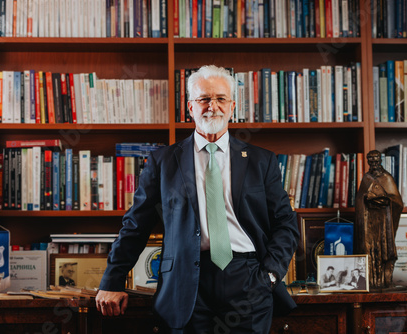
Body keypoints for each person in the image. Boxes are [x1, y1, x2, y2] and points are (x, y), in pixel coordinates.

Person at [96, 65, 299, 333]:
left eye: (220, 98)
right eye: (203, 99)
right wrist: (113, 280)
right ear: (191, 107)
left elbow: (286, 224)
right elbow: (136, 225)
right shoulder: (163, 162)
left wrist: (270, 275)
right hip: (185, 282)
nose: (212, 106)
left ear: (232, 107)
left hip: (248, 280)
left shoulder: (262, 161)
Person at [355, 150, 404, 289]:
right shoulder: (366, 178)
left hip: (384, 221)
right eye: (371, 161)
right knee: (368, 250)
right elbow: (359, 200)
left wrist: (385, 200)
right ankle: (370, 281)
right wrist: (365, 198)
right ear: (368, 162)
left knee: (384, 250)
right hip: (368, 222)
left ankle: (385, 280)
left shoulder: (386, 177)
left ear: (380, 161)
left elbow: (398, 202)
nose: (374, 164)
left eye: (376, 161)